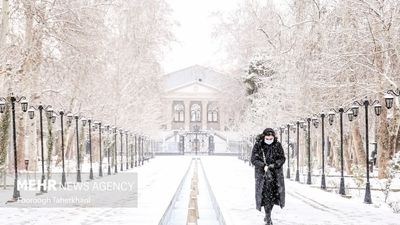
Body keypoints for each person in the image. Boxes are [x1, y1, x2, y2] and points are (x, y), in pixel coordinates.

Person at [251, 128, 286, 225]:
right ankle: (268, 216)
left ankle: (268, 215)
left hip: (275, 175)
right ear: (264, 137)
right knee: (265, 196)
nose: (269, 140)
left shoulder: (277, 145)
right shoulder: (258, 145)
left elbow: (282, 158)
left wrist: (275, 165)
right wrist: (263, 165)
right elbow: (253, 159)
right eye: (267, 138)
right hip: (263, 176)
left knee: (273, 196)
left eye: (271, 138)